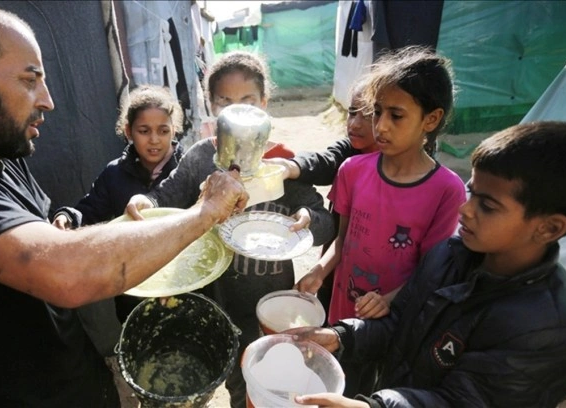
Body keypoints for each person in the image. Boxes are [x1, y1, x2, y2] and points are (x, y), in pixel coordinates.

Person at [0, 2, 247, 407]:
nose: (48, 100)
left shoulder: (1, 159)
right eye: (29, 80)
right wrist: (205, 211)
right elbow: (66, 270)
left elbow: (53, 239)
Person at [287, 121, 566, 408]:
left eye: (487, 205)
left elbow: (461, 402)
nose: (465, 209)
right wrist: (343, 336)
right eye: (471, 191)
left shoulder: (554, 334)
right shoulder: (449, 255)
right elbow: (399, 323)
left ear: (550, 228)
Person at [125, 50, 336, 408]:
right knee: (222, 369)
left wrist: (308, 220)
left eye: (248, 101)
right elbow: (165, 195)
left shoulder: (281, 165)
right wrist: (146, 202)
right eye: (225, 101)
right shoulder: (199, 158)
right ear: (211, 106)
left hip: (266, 303)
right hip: (213, 297)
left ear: (265, 104)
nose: (236, 110)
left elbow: (325, 218)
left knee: (256, 382)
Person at [296, 45, 466, 324]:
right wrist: (318, 271)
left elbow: (429, 272)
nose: (381, 126)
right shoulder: (352, 170)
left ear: (431, 119)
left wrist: (387, 300)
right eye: (377, 112)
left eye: (396, 116)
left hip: (392, 320)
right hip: (342, 309)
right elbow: (343, 241)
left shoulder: (447, 190)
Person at [52, 85, 186, 337]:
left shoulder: (187, 171)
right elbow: (89, 211)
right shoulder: (114, 175)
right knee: (143, 346)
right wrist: (67, 217)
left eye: (163, 130)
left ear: (174, 130)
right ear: (128, 132)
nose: (155, 139)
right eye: (144, 131)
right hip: (132, 290)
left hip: (182, 285)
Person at [265, 78, 379, 317]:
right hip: (334, 265)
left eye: (367, 115)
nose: (354, 124)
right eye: (351, 113)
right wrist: (290, 166)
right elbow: (324, 161)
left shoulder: (397, 172)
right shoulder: (349, 154)